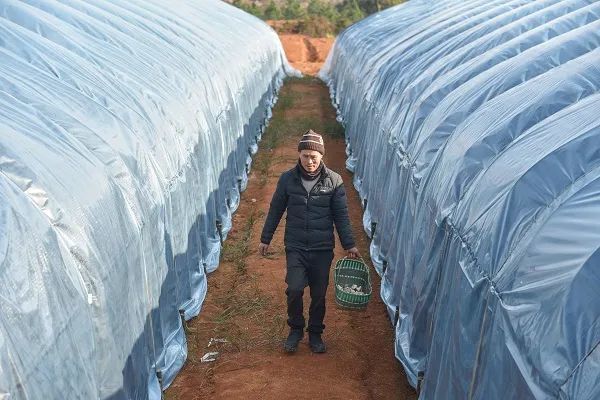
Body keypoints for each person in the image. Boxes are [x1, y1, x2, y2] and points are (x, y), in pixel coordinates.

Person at [258, 129, 360, 354]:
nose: (310, 161)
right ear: (299, 155)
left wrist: (349, 244)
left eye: (314, 156)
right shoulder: (287, 179)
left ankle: (315, 333)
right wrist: (266, 239)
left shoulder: (334, 181)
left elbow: (341, 216)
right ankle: (295, 329)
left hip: (322, 248)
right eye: (305, 156)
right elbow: (275, 210)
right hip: (295, 246)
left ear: (321, 156)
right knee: (294, 289)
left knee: (319, 294)